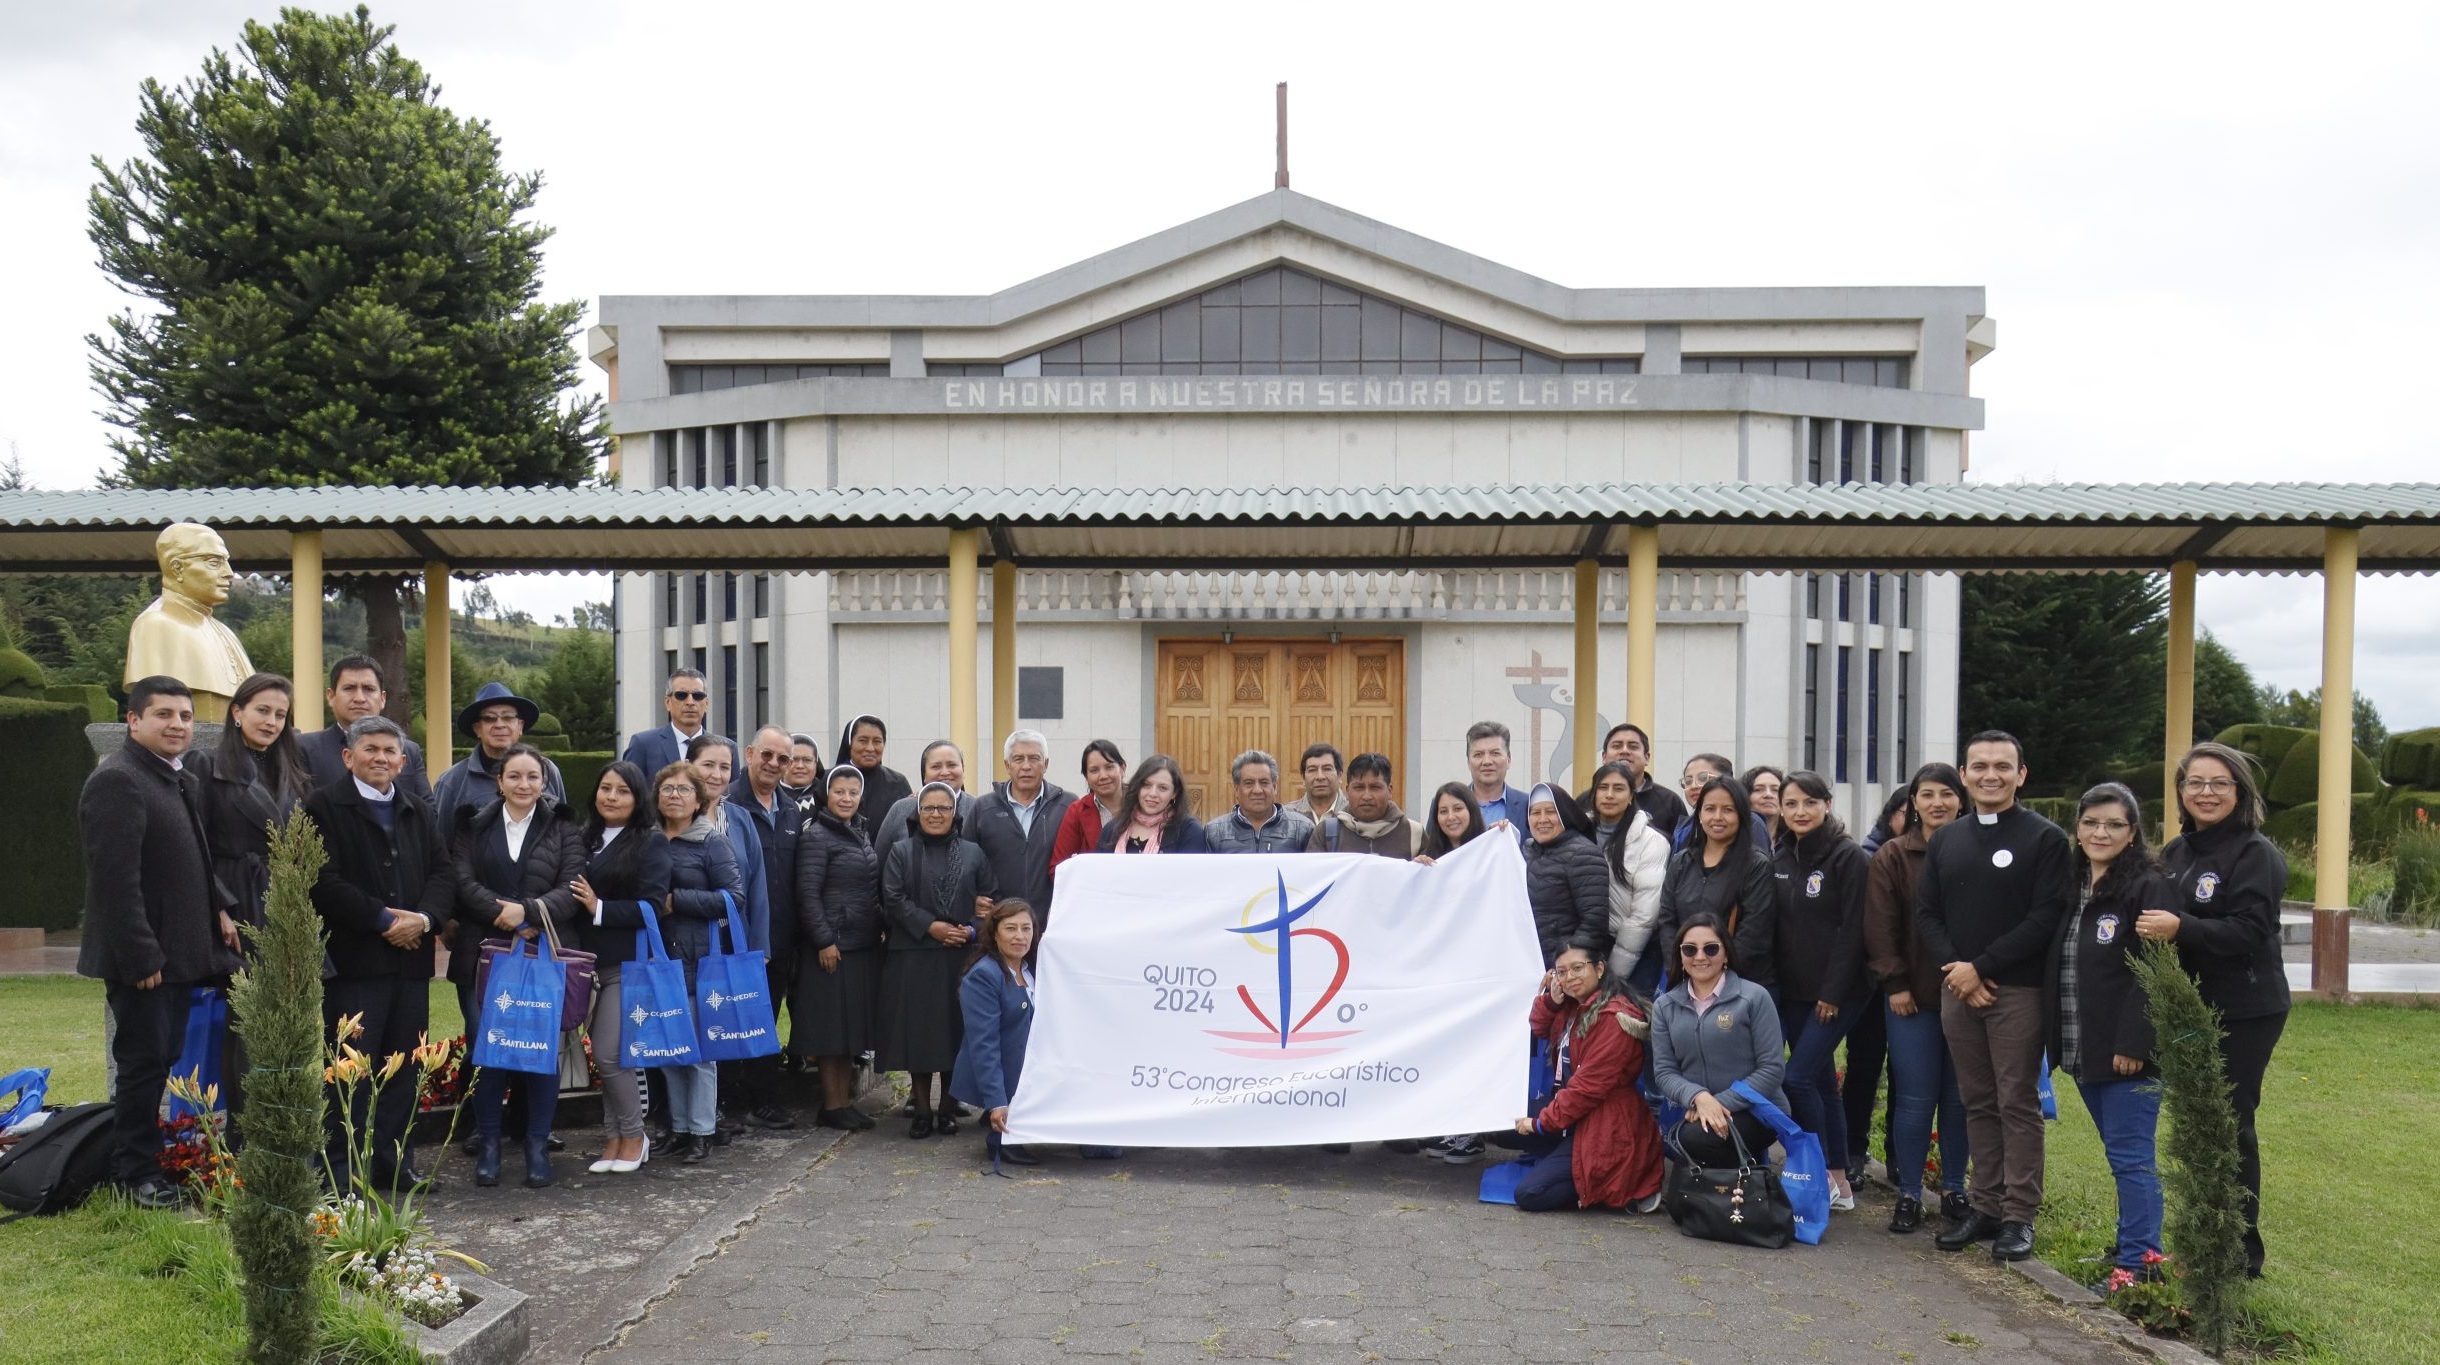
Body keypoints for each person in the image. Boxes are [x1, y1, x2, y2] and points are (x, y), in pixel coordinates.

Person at [78, 676, 236, 1210]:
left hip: (181, 953)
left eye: (185, 716)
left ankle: (145, 1163)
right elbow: (115, 881)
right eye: (164, 714)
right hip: (146, 960)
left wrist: (221, 907)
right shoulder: (119, 780)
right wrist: (142, 955)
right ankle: (135, 1174)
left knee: (162, 1057)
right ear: (134, 721)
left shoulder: (174, 777)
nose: (177, 725)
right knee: (144, 1064)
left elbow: (193, 855)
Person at [1917, 731, 2074, 1263]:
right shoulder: (1946, 840)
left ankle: (2018, 1215)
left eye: (2002, 766)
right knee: (1975, 1100)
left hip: (2018, 991)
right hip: (1958, 989)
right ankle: (1984, 1206)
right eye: (1979, 766)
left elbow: (2046, 916)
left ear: (2021, 775)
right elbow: (1928, 915)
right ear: (1963, 775)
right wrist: (1959, 972)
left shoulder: (2046, 839)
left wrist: (1980, 969)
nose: (1991, 775)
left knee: (2017, 1102)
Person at [2146, 741, 2290, 1279]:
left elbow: (2251, 932)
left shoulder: (2256, 854)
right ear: (2182, 792)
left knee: (2229, 1126)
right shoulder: (2178, 851)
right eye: (2195, 783)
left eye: (2219, 784)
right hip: (2190, 1007)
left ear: (2240, 792)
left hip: (2245, 1009)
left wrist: (2183, 928)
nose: (2206, 793)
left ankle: (2237, 1253)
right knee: (2196, 1124)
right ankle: (2200, 1239)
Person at [305, 716, 455, 1192]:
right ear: (348, 756)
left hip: (411, 965)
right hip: (355, 964)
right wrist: (385, 920)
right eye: (370, 749)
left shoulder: (416, 808)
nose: (381, 758)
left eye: (390, 751)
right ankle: (343, 1170)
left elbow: (443, 874)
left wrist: (423, 920)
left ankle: (394, 1164)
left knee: (404, 1067)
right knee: (350, 1069)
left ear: (403, 760)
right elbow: (322, 881)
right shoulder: (322, 807)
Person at [445, 742, 586, 1187]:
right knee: (490, 1053)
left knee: (539, 1055)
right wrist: (500, 912)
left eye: (532, 777)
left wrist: (528, 913)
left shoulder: (564, 826)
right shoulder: (471, 822)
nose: (524, 784)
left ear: (543, 783)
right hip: (484, 951)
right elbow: (461, 879)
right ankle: (488, 1145)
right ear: (499, 781)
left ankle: (536, 1146)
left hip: (542, 951)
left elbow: (573, 885)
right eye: (515, 776)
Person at [2052, 783, 2172, 1289]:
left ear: (2132, 833)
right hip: (2084, 1046)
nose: (2100, 832)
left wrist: (2135, 1043)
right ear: (2077, 829)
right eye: (2091, 822)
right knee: (2120, 1156)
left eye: (2114, 824)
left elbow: (2156, 970)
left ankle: (2141, 1267)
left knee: (2131, 1159)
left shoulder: (2147, 886)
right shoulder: (2071, 885)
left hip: (2127, 1054)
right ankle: (2131, 1250)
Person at [1863, 763, 1972, 1235]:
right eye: (1926, 795)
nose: (1937, 803)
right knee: (1914, 1097)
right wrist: (1895, 983)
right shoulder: (1893, 855)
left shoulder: (1976, 850)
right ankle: (1909, 1192)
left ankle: (1953, 1188)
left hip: (1969, 994)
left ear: (1960, 799)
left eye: (1946, 794)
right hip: (1913, 997)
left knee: (1958, 1099)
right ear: (1913, 805)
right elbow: (1880, 926)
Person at [1771, 770, 1870, 1211]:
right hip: (1793, 989)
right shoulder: (1781, 855)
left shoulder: (1848, 857)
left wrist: (1832, 992)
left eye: (1809, 803)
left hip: (1838, 992)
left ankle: (1816, 1170)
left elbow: (1854, 931)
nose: (1800, 812)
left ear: (1827, 805)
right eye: (1791, 804)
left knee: (1797, 1077)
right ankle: (1839, 1182)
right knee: (1823, 1084)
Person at [570, 762, 674, 1175]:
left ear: (638, 798)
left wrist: (599, 908)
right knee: (607, 1057)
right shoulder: (583, 838)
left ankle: (635, 1136)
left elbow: (652, 905)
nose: (611, 797)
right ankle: (613, 1137)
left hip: (626, 964)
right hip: (585, 966)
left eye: (623, 791)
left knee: (613, 1055)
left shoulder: (650, 842)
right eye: (605, 788)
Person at [1510, 946, 1665, 1213]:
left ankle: (1623, 1187)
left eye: (1578, 968)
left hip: (1607, 1124)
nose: (1569, 977)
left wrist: (1540, 1123)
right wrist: (1550, 1001)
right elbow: (1538, 1028)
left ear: (1599, 968)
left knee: (1530, 1194)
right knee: (1507, 1133)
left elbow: (1587, 1089)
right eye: (1561, 972)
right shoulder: (1572, 1007)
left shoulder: (1614, 1017)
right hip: (1575, 1116)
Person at [881, 783, 997, 1136]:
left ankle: (948, 1107)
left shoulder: (974, 853)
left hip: (960, 956)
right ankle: (921, 1109)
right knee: (919, 1034)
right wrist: (931, 927)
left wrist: (974, 931)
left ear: (954, 814)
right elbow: (893, 897)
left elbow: (990, 899)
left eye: (943, 809)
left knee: (954, 1033)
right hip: (914, 954)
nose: (935, 815)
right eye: (928, 808)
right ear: (917, 813)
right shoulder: (901, 851)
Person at [653, 761, 744, 1164]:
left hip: (699, 958)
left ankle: (703, 1131)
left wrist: (678, 901)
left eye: (683, 790)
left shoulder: (711, 842)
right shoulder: (648, 841)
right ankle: (679, 1128)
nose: (675, 795)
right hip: (659, 956)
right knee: (670, 1047)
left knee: (700, 1052)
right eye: (668, 789)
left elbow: (733, 898)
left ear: (698, 799)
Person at [1650, 914, 1789, 1169]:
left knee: (1694, 1141)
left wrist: (1718, 1103)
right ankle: (1744, 1187)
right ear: (1680, 956)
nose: (1700, 956)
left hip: (1758, 1109)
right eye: (1690, 949)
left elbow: (1772, 1069)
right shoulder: (1664, 1006)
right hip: (1700, 1109)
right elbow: (1664, 1072)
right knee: (1686, 1153)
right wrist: (1698, 1097)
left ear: (1726, 954)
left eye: (1711, 948)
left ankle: (1745, 1187)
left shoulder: (1755, 997)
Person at [795, 764, 884, 1131]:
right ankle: (831, 1106)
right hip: (832, 948)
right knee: (831, 1033)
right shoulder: (817, 835)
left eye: (853, 792)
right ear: (826, 795)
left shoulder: (858, 832)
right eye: (839, 792)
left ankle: (843, 1102)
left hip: (859, 945)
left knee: (849, 1033)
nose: (846, 798)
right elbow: (807, 894)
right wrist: (824, 940)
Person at [724, 726, 804, 1132]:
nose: (774, 764)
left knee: (765, 1019)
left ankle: (764, 1100)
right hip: (736, 936)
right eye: (767, 755)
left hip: (781, 938)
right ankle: (727, 1104)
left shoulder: (791, 810)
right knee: (728, 1019)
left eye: (783, 759)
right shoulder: (727, 804)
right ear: (750, 753)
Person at [195, 671, 311, 935]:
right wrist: (218, 907)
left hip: (286, 899)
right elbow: (193, 846)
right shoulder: (206, 765)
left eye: (280, 715)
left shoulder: (294, 772)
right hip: (234, 899)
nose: (271, 722)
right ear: (237, 712)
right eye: (262, 710)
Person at [1654, 776, 1778, 993]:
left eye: (1728, 810)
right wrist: (1682, 966)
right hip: (1684, 981)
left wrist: (1712, 974)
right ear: (1699, 814)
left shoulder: (1756, 865)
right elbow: (1667, 920)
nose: (1717, 817)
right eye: (1710, 809)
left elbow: (1753, 933)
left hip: (1738, 983)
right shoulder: (1681, 861)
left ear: (1741, 815)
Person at [951, 900, 1042, 1167]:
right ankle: (1000, 1131)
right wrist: (997, 1103)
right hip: (1003, 1070)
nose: (1020, 936)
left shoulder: (1032, 968)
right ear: (994, 933)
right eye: (1011, 928)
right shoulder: (983, 976)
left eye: (1027, 929)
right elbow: (984, 1045)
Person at [968, 730, 1076, 929]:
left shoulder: (1068, 806)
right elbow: (965, 864)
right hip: (998, 926)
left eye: (1034, 758)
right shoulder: (983, 808)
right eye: (1018, 759)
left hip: (1053, 923)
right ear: (1007, 766)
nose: (1026, 766)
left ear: (1046, 764)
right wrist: (971, 898)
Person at [432, 681, 567, 831]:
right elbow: (440, 846)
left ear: (520, 726)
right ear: (477, 729)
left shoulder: (548, 771)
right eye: (490, 718)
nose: (499, 724)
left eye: (508, 717)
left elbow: (562, 832)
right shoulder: (451, 782)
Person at [1583, 761, 1669, 992]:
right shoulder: (1578, 833)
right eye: (1603, 787)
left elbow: (1643, 916)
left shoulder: (1652, 842)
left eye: (1619, 788)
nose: (1610, 795)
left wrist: (1613, 975)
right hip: (1584, 947)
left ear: (1631, 796)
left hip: (1636, 954)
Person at [297, 655, 433, 802]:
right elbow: (297, 813)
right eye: (349, 688)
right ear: (331, 696)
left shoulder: (409, 750)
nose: (360, 698)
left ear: (382, 699)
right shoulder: (304, 748)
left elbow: (429, 812)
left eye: (368, 689)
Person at [1522, 785, 1609, 968]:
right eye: (1535, 813)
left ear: (1564, 814)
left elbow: (1593, 923)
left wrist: (1564, 966)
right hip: (1528, 963)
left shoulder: (1584, 854)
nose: (1542, 819)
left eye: (1551, 812)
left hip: (1565, 970)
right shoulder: (1526, 850)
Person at [874, 741, 976, 867]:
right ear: (924, 775)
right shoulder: (901, 809)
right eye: (936, 766)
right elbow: (879, 862)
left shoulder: (978, 809)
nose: (945, 772)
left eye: (952, 765)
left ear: (963, 770)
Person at [1205, 749, 1317, 854]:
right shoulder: (1214, 832)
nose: (1257, 790)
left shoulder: (1303, 829)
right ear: (1236, 789)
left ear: (1275, 787)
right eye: (1249, 783)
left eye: (1264, 782)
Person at [1304, 753, 1416, 857]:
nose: (1366, 796)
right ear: (1347, 791)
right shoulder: (1325, 832)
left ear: (1390, 790)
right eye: (1359, 788)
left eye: (1375, 787)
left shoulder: (1413, 833)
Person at [1096, 756, 1210, 853]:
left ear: (1174, 793)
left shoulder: (1188, 830)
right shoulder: (1112, 829)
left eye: (1162, 788)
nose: (1153, 793)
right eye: (1146, 785)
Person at [1049, 740, 1127, 875]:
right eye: (1094, 770)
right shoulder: (1077, 812)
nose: (1103, 776)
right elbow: (1058, 869)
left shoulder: (1142, 806)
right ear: (1086, 777)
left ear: (1122, 768)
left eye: (1109, 767)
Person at [619, 667, 711, 779]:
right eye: (681, 695)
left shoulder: (725, 748)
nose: (690, 702)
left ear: (706, 704)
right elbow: (629, 790)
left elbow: (733, 793)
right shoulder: (642, 744)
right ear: (668, 702)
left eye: (698, 696)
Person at [835, 714, 912, 844]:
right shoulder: (829, 781)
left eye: (877, 741)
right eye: (863, 741)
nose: (870, 748)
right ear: (850, 744)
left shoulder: (898, 782)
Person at [1669, 753, 1770, 850]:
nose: (1693, 786)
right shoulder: (1684, 828)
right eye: (1688, 781)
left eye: (1703, 778)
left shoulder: (1750, 822)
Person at [1465, 722, 1529, 840]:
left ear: (1509, 760)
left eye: (1495, 753)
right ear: (1468, 762)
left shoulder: (1528, 805)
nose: (1487, 761)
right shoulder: (1447, 806)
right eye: (1478, 755)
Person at [1412, 783, 1484, 864]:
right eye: (1443, 811)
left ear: (1471, 810)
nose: (1450, 817)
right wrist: (1418, 868)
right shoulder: (1428, 859)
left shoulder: (1488, 851)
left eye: (1458, 809)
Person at [1286, 743, 1348, 821]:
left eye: (1327, 769)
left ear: (1339, 775)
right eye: (1312, 770)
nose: (1320, 777)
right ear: (1303, 778)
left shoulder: (1354, 814)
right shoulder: (1287, 815)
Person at [1741, 766, 1786, 850]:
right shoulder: (1737, 838)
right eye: (1758, 790)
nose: (1768, 795)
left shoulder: (1793, 838)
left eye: (1775, 790)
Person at [779, 733, 825, 812]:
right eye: (794, 759)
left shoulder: (825, 797)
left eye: (807, 760)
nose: (800, 766)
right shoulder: (768, 795)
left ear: (816, 764)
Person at [1863, 786, 1913, 854]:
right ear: (1890, 816)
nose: (1913, 821)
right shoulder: (1871, 854)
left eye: (1918, 816)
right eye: (1907, 815)